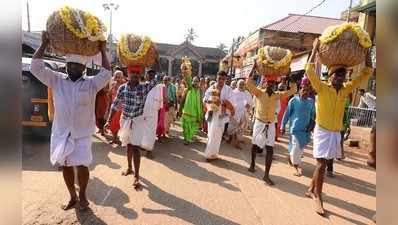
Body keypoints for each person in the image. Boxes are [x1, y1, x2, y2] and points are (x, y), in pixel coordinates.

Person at [30, 31, 111, 210]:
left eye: (77, 66)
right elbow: (35, 68)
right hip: (61, 133)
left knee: (82, 165)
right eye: (70, 65)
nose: (73, 68)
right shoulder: (56, 80)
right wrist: (44, 44)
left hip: (82, 134)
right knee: (65, 164)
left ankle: (82, 196)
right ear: (66, 66)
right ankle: (72, 196)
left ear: (83, 68)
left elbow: (106, 74)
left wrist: (103, 51)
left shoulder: (91, 84)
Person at [304, 38, 374, 215]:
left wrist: (366, 53)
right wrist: (314, 50)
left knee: (326, 162)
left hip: (336, 133)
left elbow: (367, 72)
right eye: (337, 75)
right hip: (322, 131)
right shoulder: (321, 87)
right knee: (321, 165)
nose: (340, 78)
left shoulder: (346, 89)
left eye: (342, 76)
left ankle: (312, 188)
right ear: (331, 75)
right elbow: (309, 70)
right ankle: (318, 197)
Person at [105, 67, 157, 189]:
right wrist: (108, 120)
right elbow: (115, 105)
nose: (135, 75)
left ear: (140, 75)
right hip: (125, 120)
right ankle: (129, 168)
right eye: (132, 73)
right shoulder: (122, 88)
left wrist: (156, 63)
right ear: (128, 74)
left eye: (137, 73)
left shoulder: (144, 87)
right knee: (128, 144)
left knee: (135, 147)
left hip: (138, 120)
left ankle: (137, 176)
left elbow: (155, 80)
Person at [246, 63, 297, 185]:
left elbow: (294, 90)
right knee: (254, 145)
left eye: (273, 84)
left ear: (275, 85)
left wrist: (289, 75)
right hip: (259, 123)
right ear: (266, 83)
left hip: (271, 125)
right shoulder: (259, 92)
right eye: (270, 83)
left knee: (270, 149)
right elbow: (248, 84)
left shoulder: (277, 95)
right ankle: (252, 164)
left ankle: (266, 175)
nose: (271, 86)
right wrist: (254, 68)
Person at [281, 77, 315, 176]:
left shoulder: (311, 102)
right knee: (296, 148)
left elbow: (313, 115)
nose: (305, 92)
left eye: (307, 90)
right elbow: (287, 114)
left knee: (300, 149)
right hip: (294, 129)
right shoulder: (293, 101)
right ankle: (296, 167)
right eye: (303, 89)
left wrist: (312, 124)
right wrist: (282, 125)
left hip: (305, 130)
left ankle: (291, 158)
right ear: (300, 90)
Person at [203, 71, 235, 161]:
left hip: (222, 115)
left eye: (223, 79)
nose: (221, 81)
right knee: (211, 134)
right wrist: (210, 102)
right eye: (219, 79)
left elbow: (231, 102)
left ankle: (214, 154)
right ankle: (208, 154)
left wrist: (221, 102)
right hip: (212, 114)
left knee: (218, 135)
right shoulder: (211, 88)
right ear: (216, 78)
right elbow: (205, 99)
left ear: (225, 80)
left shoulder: (228, 89)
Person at [228, 79, 252, 149]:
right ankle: (231, 139)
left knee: (240, 128)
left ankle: (237, 142)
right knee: (232, 127)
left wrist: (249, 106)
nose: (241, 86)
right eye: (240, 84)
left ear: (245, 85)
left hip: (243, 114)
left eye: (243, 84)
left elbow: (250, 103)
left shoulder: (247, 93)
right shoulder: (233, 92)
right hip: (234, 113)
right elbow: (230, 103)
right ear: (237, 85)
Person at [181, 75, 203, 145]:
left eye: (197, 81)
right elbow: (183, 100)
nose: (195, 82)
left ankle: (188, 137)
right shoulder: (189, 88)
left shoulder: (200, 90)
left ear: (199, 82)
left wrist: (201, 110)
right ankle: (186, 139)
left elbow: (200, 101)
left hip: (195, 112)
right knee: (186, 126)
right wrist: (179, 109)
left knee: (193, 127)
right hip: (187, 111)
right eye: (194, 81)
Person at [107, 70, 126, 145]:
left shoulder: (125, 85)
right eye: (116, 77)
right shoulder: (113, 84)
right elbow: (109, 95)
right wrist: (109, 106)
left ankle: (117, 138)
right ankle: (114, 138)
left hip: (122, 108)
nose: (117, 78)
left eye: (119, 77)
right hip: (113, 107)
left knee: (119, 123)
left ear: (122, 77)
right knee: (111, 123)